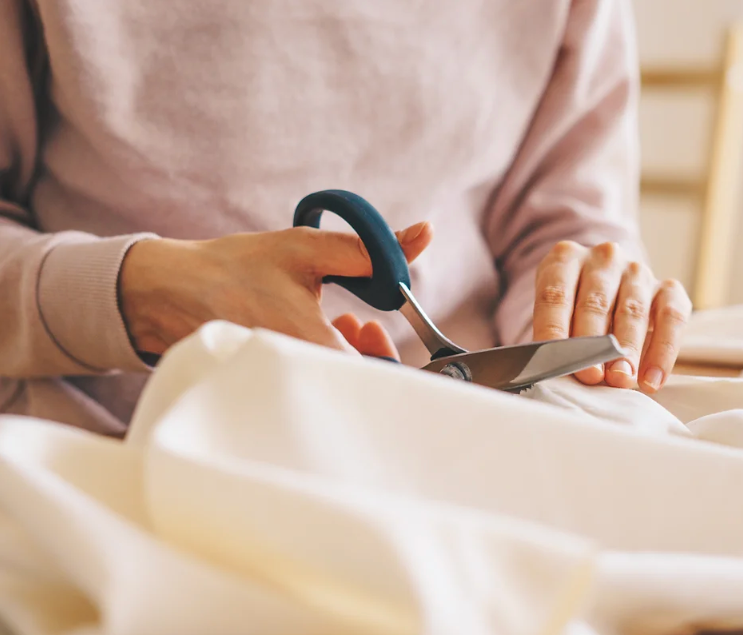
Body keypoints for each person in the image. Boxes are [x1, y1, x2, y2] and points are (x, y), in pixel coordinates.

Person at [0, 0, 691, 436]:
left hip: (471, 437)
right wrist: (141, 293)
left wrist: (576, 303)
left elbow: (561, 222)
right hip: (97, 449)